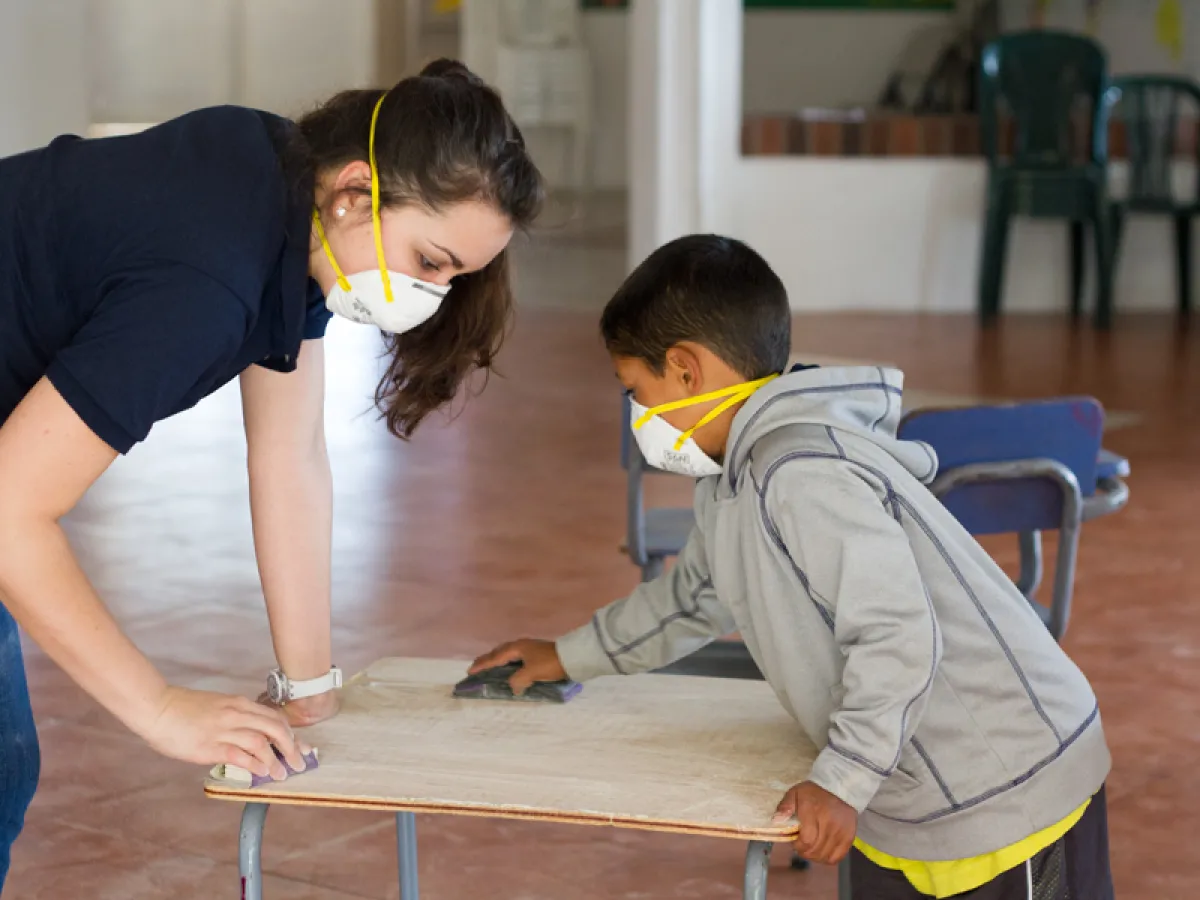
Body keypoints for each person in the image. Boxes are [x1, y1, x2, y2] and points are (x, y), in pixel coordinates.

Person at [0, 58, 543, 886]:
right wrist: (158, 708)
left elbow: (290, 454)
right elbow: (9, 511)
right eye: (431, 261)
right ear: (358, 191)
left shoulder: (289, 192)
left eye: (457, 277)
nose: (435, 294)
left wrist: (309, 686)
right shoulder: (208, 276)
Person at [470, 235, 1114, 900]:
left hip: (1005, 793)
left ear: (687, 371)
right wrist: (569, 657)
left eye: (636, 390)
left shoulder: (802, 474)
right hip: (912, 791)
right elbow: (693, 599)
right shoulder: (734, 477)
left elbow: (896, 635)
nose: (635, 413)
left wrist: (842, 780)